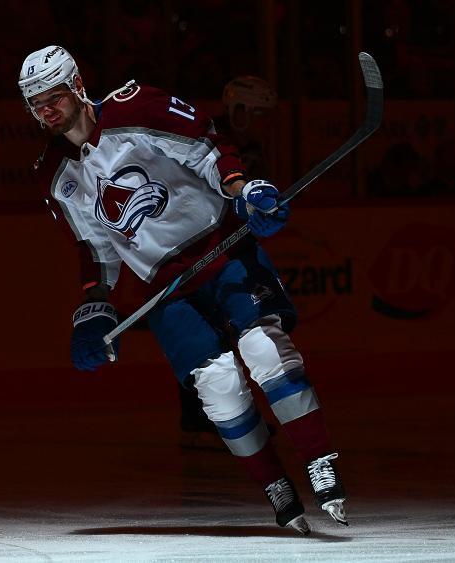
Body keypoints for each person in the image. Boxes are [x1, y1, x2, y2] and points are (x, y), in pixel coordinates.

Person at [21, 45, 347, 534]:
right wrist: (95, 303)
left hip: (221, 250)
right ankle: (275, 484)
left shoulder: (136, 108)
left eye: (54, 96)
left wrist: (243, 191)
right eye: (36, 103)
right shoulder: (53, 174)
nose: (47, 110)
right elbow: (94, 247)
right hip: (165, 286)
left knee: (265, 350)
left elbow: (207, 148)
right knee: (218, 388)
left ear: (78, 86)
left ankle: (320, 461)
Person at [177, 75, 280, 447]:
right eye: (260, 114)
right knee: (208, 334)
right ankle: (206, 416)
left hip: (228, 246)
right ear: (240, 111)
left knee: (232, 329)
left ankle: (218, 415)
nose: (266, 123)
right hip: (200, 246)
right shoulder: (210, 139)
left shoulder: (250, 144)